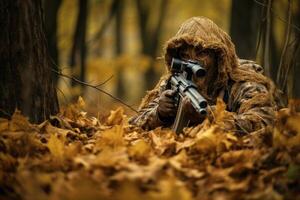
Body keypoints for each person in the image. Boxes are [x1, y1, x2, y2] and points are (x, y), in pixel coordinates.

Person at [129, 16, 279, 134]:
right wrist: (159, 113)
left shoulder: (242, 80)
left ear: (218, 56)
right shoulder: (174, 81)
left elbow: (265, 120)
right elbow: (134, 124)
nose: (193, 61)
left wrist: (211, 116)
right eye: (185, 55)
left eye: (201, 53)